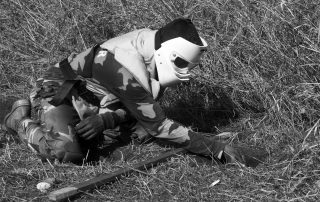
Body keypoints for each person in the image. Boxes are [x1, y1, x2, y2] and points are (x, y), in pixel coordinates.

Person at [3, 18, 247, 165]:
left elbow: (142, 106)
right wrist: (216, 149)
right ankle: (20, 120)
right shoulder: (125, 64)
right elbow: (158, 124)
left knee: (136, 136)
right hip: (58, 91)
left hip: (96, 100)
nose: (186, 72)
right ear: (169, 52)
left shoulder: (149, 48)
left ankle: (94, 128)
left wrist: (106, 119)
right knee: (66, 152)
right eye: (182, 63)